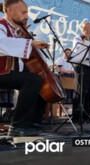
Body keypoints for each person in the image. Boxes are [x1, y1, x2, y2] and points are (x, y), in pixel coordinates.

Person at [0, 0, 50, 136]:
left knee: (42, 80)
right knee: (32, 80)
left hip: (11, 72)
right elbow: (2, 43)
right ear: (10, 11)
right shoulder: (1, 25)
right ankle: (18, 126)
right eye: (23, 12)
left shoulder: (17, 30)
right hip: (1, 72)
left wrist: (27, 38)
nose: (26, 16)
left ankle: (33, 122)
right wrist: (30, 42)